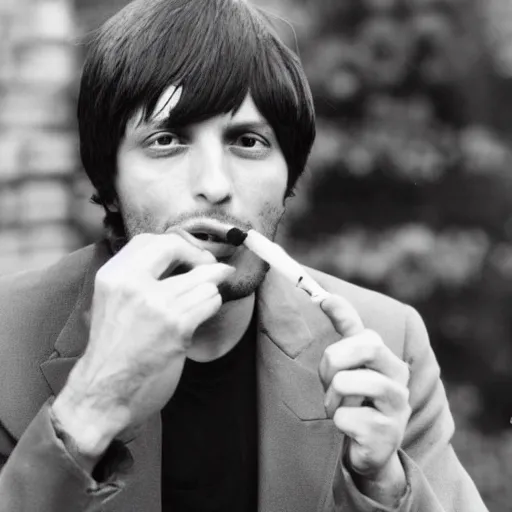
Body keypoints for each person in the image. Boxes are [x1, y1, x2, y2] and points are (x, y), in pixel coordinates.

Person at [0, 0, 489, 511]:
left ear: (288, 175)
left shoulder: (385, 343)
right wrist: (89, 408)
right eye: (166, 140)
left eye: (248, 141)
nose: (214, 185)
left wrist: (383, 486)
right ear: (110, 181)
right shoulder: (7, 336)